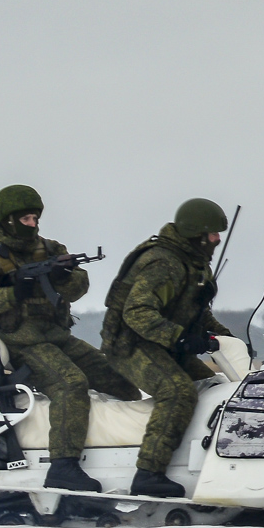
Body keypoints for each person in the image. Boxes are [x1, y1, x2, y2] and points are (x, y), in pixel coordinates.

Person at [0, 184, 140, 492]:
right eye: (25, 218)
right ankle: (63, 466)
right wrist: (13, 294)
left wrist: (62, 276)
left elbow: (80, 284)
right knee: (70, 384)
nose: (33, 223)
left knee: (118, 378)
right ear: (8, 220)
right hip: (20, 342)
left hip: (57, 336)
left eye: (35, 217)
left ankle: (120, 445)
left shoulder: (51, 249)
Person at [101, 198, 235, 498]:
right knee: (178, 391)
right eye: (213, 233)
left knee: (213, 386)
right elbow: (136, 312)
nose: (217, 239)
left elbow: (196, 310)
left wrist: (228, 340)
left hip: (165, 344)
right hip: (130, 344)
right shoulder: (164, 263)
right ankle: (149, 472)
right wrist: (183, 339)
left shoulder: (194, 263)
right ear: (197, 233)